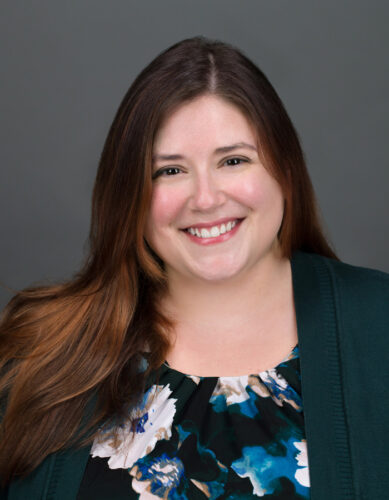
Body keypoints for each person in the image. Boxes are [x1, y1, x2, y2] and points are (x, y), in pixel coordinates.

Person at [0, 36, 388, 500]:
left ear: (284, 171)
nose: (206, 198)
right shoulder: (37, 354)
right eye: (170, 170)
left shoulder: (379, 326)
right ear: (130, 194)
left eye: (234, 160)